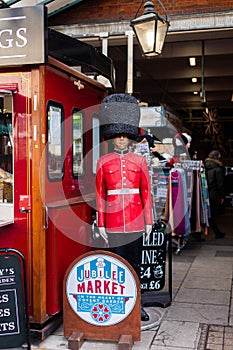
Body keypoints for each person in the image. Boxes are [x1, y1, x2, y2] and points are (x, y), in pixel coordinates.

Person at [96, 94, 153, 322]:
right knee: (117, 266)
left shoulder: (140, 162)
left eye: (124, 136)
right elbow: (101, 196)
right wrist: (101, 222)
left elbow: (146, 193)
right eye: (117, 136)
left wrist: (148, 221)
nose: (121, 140)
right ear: (112, 138)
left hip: (136, 220)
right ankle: (120, 304)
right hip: (113, 222)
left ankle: (137, 305)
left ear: (130, 138)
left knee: (136, 264)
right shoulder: (103, 162)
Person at [204, 150, 225, 239]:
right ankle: (217, 232)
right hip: (213, 193)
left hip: (203, 192)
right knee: (212, 213)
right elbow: (220, 185)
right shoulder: (218, 169)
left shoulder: (204, 166)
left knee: (206, 212)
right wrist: (221, 196)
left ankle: (199, 232)